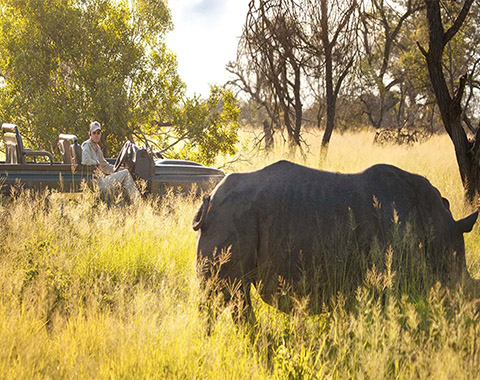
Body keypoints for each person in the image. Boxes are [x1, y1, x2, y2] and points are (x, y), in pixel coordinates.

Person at [82, 121, 140, 202]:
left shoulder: (97, 148)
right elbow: (85, 160)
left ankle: (128, 205)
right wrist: (95, 162)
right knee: (126, 174)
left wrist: (121, 169)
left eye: (98, 133)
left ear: (100, 134)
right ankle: (139, 202)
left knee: (125, 173)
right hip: (96, 183)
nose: (96, 135)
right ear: (90, 134)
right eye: (94, 133)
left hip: (101, 179)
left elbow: (105, 166)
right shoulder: (87, 145)